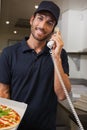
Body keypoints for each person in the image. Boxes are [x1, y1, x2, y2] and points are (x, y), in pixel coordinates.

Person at [0, 1, 71, 130]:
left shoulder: (60, 54)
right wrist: (8, 126)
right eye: (40, 18)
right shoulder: (9, 53)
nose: (42, 26)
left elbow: (62, 95)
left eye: (50, 23)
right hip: (17, 126)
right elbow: (3, 93)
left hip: (46, 127)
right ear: (32, 20)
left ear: (54, 29)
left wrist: (56, 57)